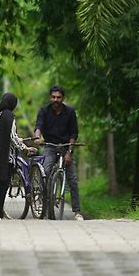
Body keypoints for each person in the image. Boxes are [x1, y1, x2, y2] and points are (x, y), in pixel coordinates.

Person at [34, 85, 83, 220]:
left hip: (66, 146)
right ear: (50, 97)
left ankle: (77, 211)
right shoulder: (44, 111)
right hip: (49, 146)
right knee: (46, 171)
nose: (56, 99)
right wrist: (37, 137)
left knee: (72, 180)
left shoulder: (70, 112)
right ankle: (43, 200)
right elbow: (38, 126)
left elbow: (74, 132)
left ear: (63, 98)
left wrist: (69, 152)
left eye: (59, 97)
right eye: (53, 97)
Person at [0, 92, 36, 219]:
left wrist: (18, 140)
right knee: (3, 184)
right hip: (6, 157)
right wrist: (24, 148)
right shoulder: (9, 116)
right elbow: (12, 136)